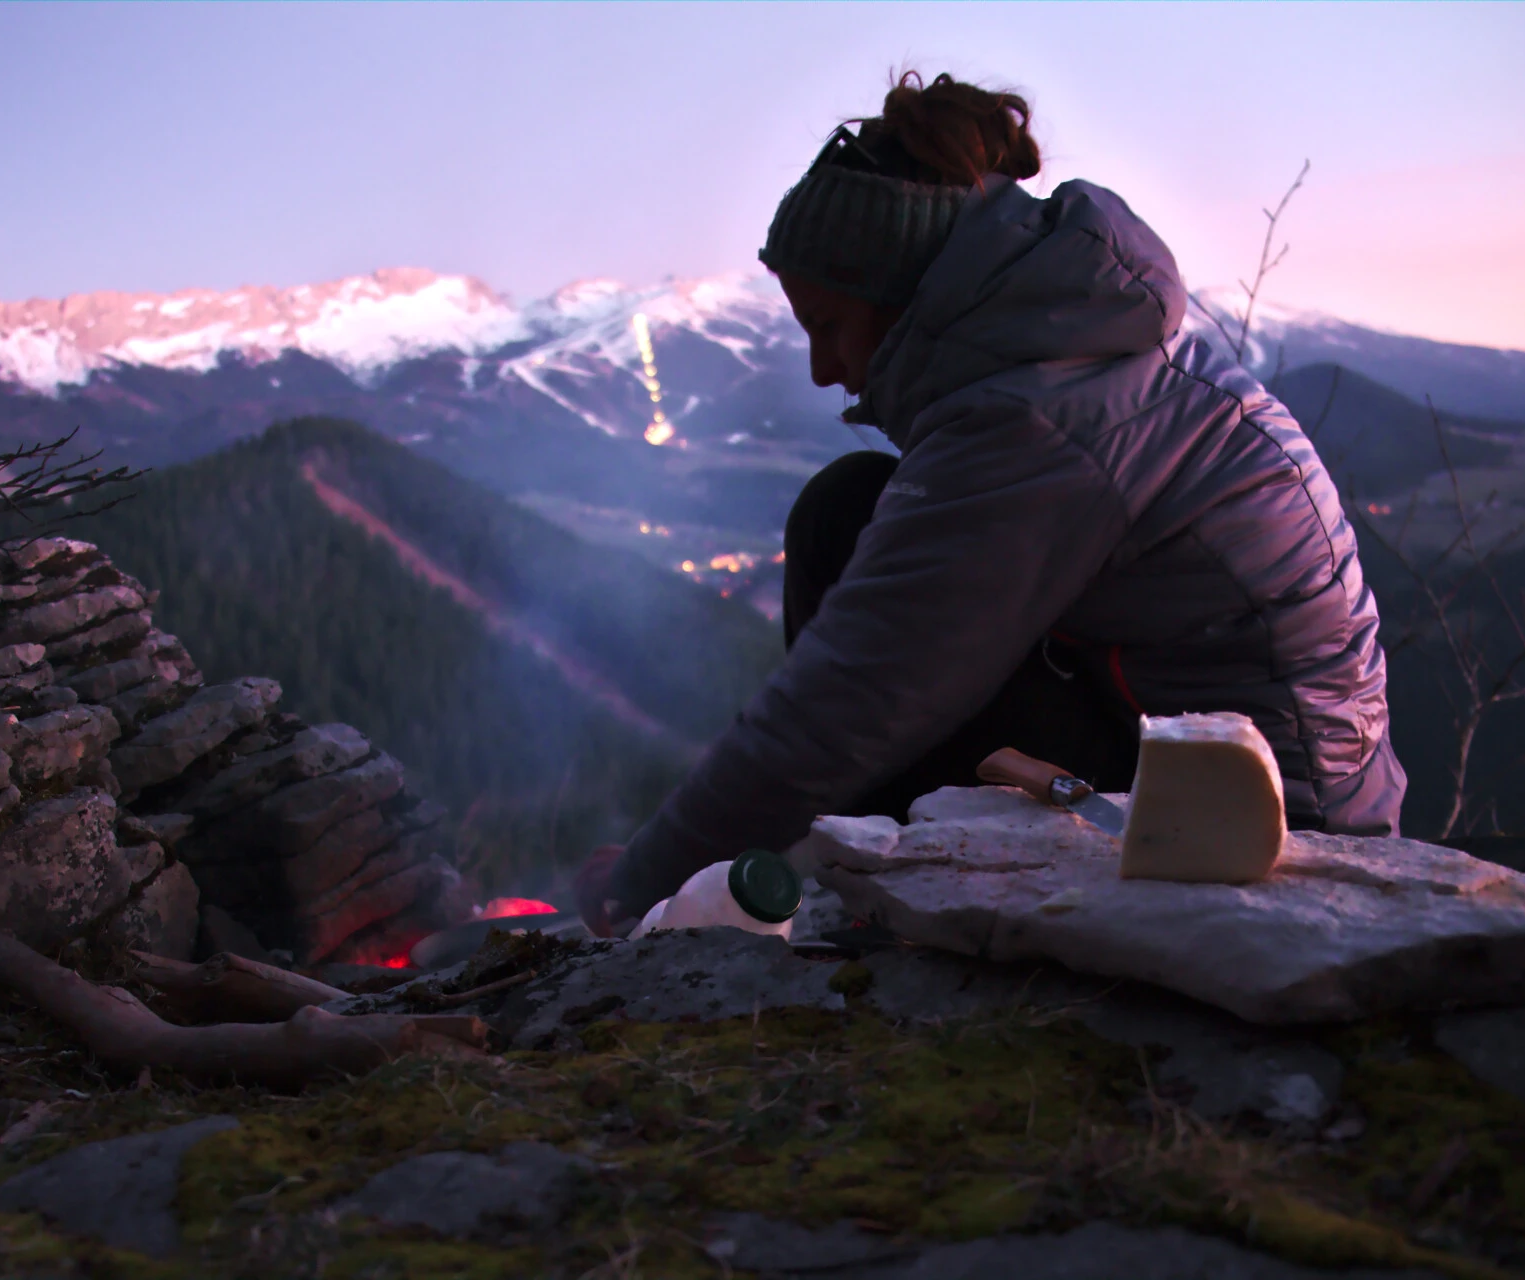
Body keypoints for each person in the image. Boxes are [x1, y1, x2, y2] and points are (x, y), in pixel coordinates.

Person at [577, 71, 1405, 938]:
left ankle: (886, 907)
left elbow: (847, 701)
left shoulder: (1033, 418)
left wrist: (640, 883)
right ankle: (874, 868)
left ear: (894, 295)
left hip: (1265, 816)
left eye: (826, 325)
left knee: (846, 556)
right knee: (848, 509)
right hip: (1192, 747)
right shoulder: (1066, 342)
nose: (822, 369)